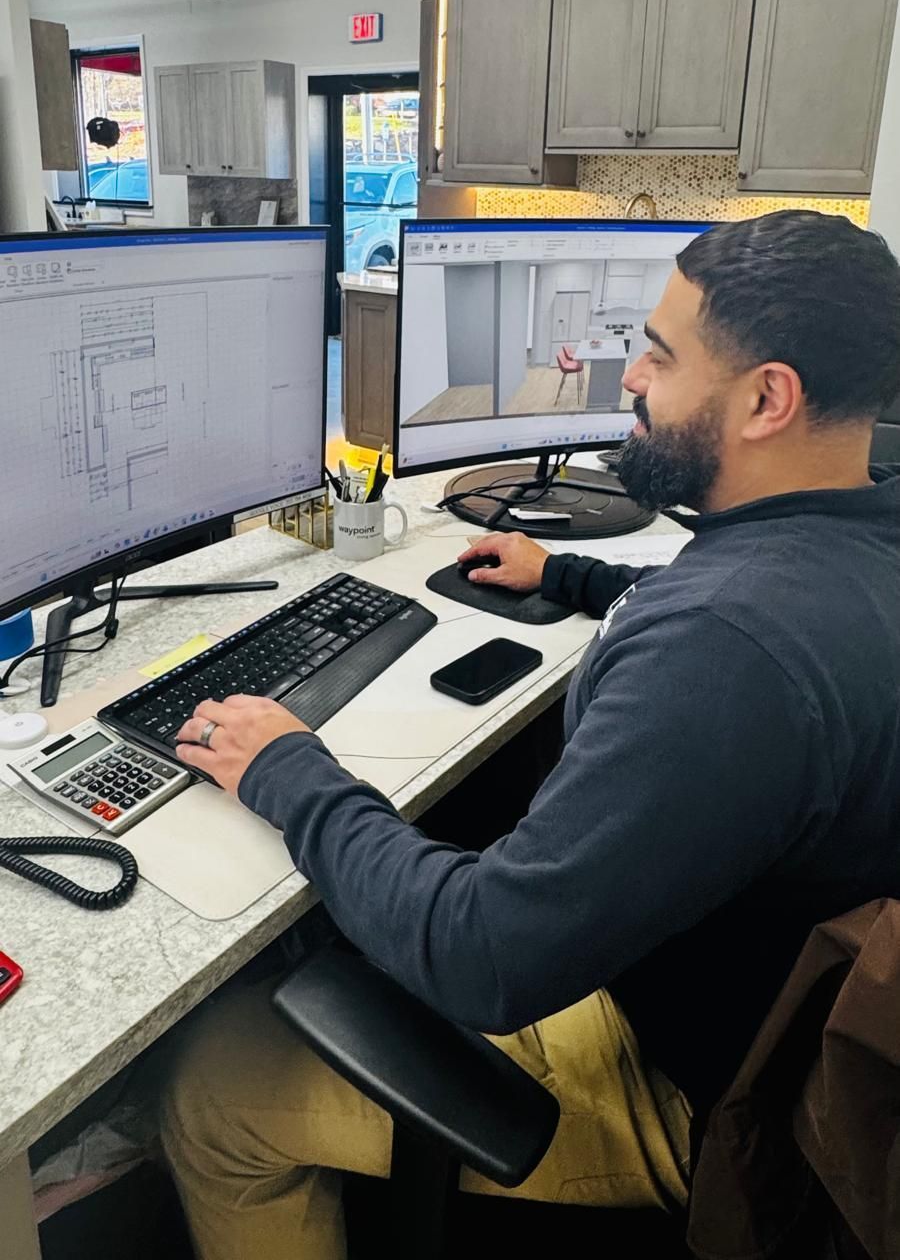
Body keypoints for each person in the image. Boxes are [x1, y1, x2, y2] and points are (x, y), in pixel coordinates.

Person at [161, 211, 900, 1260]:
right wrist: (570, 572)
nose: (631, 378)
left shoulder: (730, 649)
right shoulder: (853, 539)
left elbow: (483, 957)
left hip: (717, 1103)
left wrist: (290, 769)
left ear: (766, 397)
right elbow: (757, 606)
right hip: (771, 999)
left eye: (659, 353)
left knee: (212, 1090)